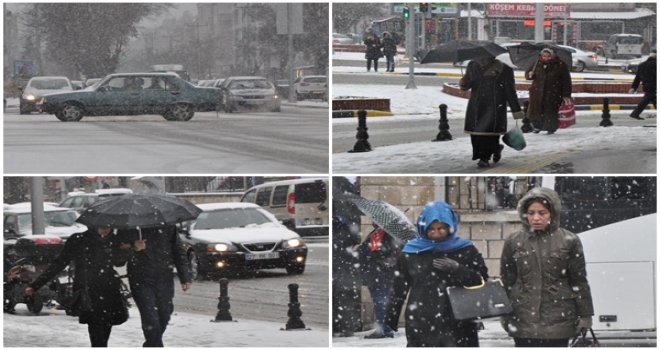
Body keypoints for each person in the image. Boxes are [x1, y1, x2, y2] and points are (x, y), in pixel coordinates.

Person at [384, 201, 488, 347]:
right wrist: (391, 317)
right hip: (422, 320)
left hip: (459, 320)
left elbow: (481, 279)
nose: (436, 233)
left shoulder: (466, 249)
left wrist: (458, 269)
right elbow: (399, 288)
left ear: (450, 227)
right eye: (431, 229)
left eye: (441, 228)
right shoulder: (411, 252)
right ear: (423, 227)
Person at [500, 187, 594, 347]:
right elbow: (508, 279)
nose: (536, 218)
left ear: (552, 213)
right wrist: (504, 313)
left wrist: (586, 315)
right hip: (523, 319)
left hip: (559, 320)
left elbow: (579, 281)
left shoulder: (569, 240)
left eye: (542, 213)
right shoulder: (513, 241)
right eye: (531, 213)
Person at [25, 226, 129, 347]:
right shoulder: (79, 240)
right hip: (87, 288)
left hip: (109, 287)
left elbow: (119, 262)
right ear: (93, 226)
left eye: (109, 227)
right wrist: (36, 285)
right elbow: (60, 263)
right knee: (96, 324)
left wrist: (125, 250)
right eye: (102, 227)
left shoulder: (114, 240)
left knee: (106, 323)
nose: (106, 230)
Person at [116, 225, 192, 347]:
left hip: (164, 277)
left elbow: (178, 251)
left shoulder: (168, 226)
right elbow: (117, 260)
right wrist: (133, 248)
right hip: (140, 280)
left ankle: (151, 344)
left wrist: (185, 277)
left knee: (165, 315)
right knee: (150, 317)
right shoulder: (129, 227)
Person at [459, 56, 525, 168]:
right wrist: (464, 82)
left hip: (495, 106)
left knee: (489, 135)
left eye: (483, 58)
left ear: (491, 57)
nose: (480, 60)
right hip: (476, 106)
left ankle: (484, 158)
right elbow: (468, 85)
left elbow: (510, 91)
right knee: (476, 135)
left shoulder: (504, 69)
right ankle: (493, 150)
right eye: (479, 57)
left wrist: (516, 109)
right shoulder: (472, 66)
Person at [356, 225, 401, 338]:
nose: (373, 222)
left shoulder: (390, 234)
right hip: (374, 273)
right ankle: (384, 328)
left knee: (381, 301)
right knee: (380, 302)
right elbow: (369, 250)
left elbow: (395, 252)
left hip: (382, 274)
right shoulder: (376, 232)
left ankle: (384, 329)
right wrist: (360, 248)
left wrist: (386, 258)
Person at [525, 48, 572, 134]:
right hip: (537, 92)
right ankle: (537, 127)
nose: (546, 58)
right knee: (537, 110)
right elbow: (528, 76)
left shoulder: (560, 64)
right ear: (541, 56)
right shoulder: (536, 63)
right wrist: (530, 75)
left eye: (548, 56)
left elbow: (566, 81)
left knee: (550, 111)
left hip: (553, 93)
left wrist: (566, 94)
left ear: (552, 56)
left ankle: (550, 128)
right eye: (544, 56)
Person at [628, 49, 656, 120]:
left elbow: (637, 78)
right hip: (654, 86)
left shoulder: (642, 65)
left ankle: (635, 114)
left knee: (650, 99)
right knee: (647, 99)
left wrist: (634, 87)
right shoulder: (656, 65)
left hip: (646, 86)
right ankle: (635, 114)